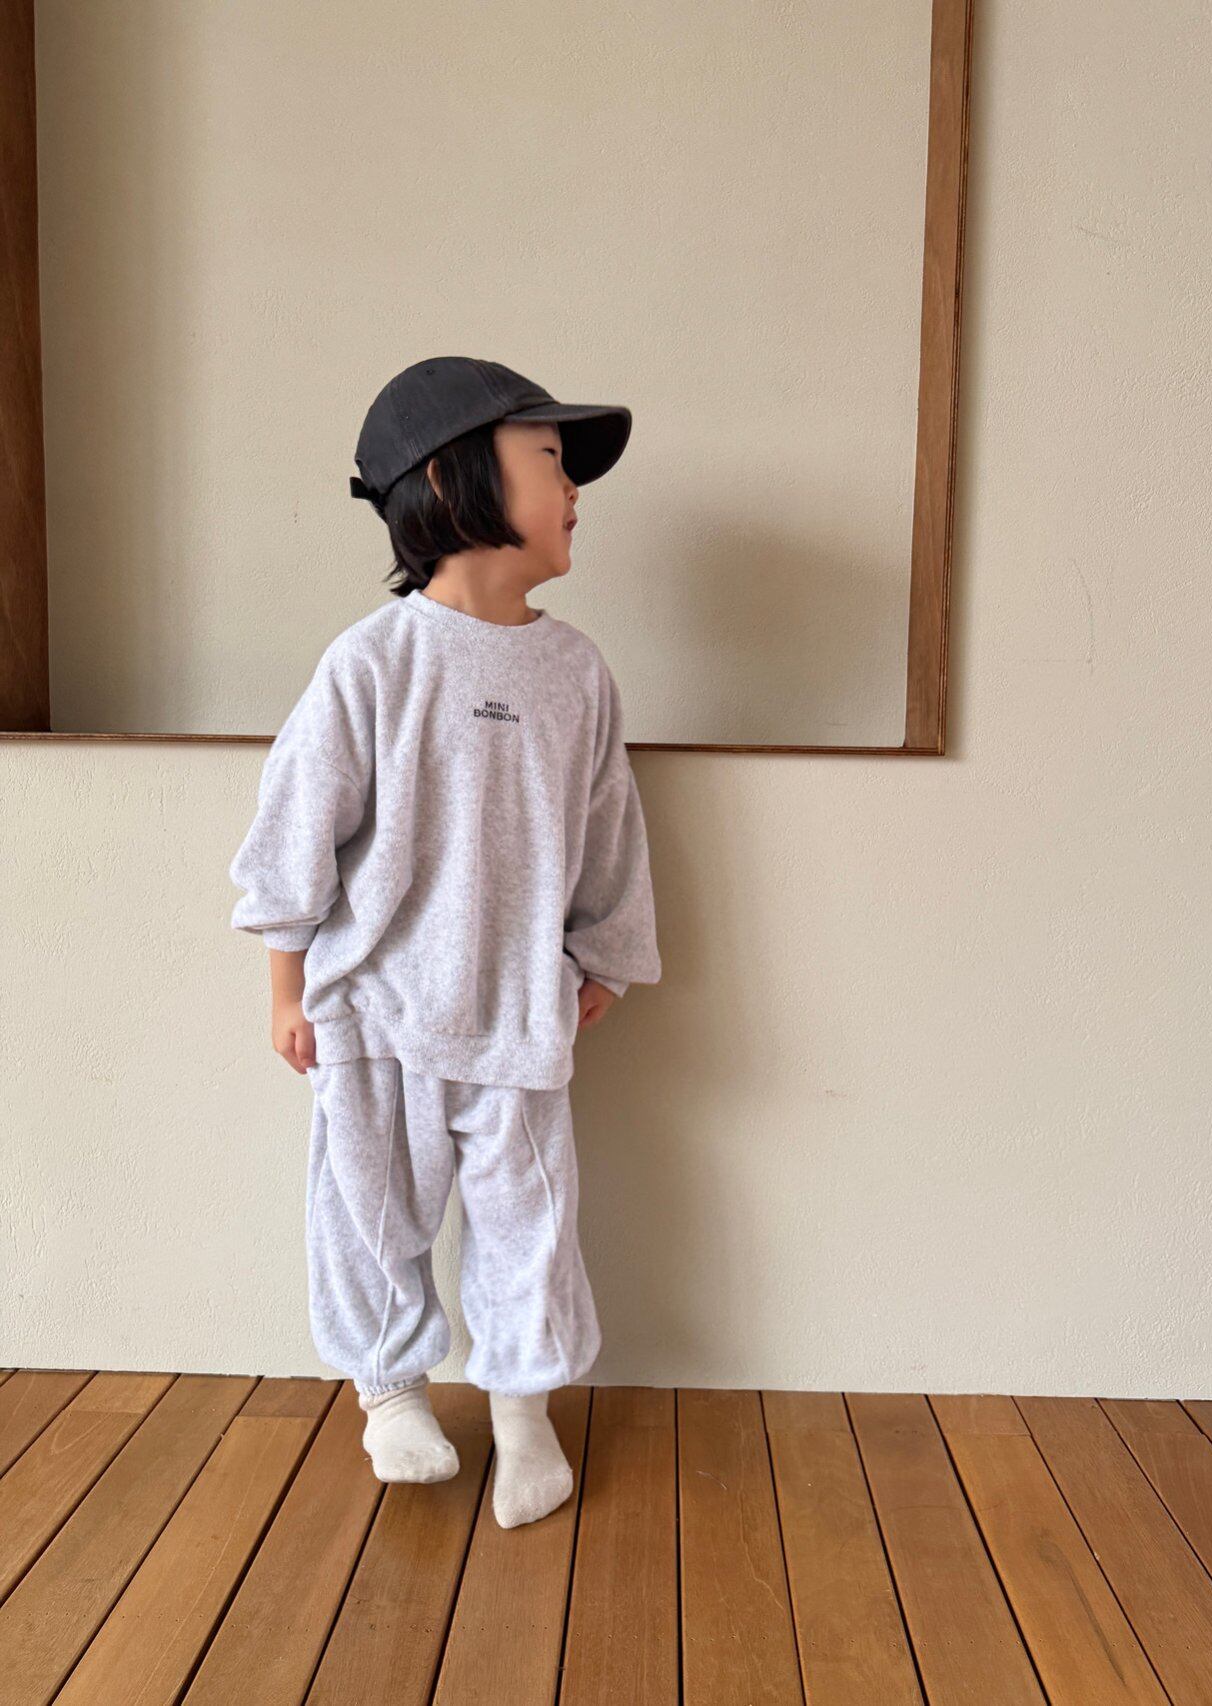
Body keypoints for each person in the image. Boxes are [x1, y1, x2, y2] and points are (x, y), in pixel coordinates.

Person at [227, 357, 661, 1528]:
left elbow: (607, 824)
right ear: (447, 479)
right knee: (370, 1208)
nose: (573, 490)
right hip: (373, 1009)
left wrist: (603, 955)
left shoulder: (574, 671)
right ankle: (391, 1392)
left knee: (531, 1221)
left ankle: (522, 1414)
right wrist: (285, 987)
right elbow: (295, 829)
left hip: (517, 1007)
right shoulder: (372, 662)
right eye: (549, 460)